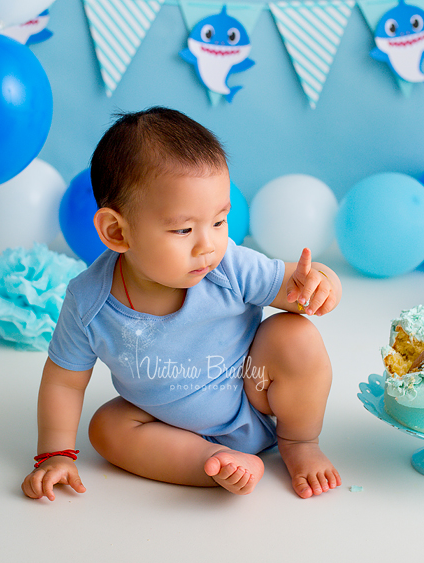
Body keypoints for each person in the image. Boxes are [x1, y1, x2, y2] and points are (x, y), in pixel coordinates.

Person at [21, 107, 342, 501]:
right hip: (164, 423)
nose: (207, 244)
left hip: (252, 391)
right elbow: (64, 381)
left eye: (220, 221)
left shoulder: (228, 266)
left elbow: (293, 284)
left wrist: (321, 283)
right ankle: (214, 463)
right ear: (117, 231)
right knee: (106, 428)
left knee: (295, 334)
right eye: (184, 229)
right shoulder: (89, 302)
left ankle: (299, 443)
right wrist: (54, 454)